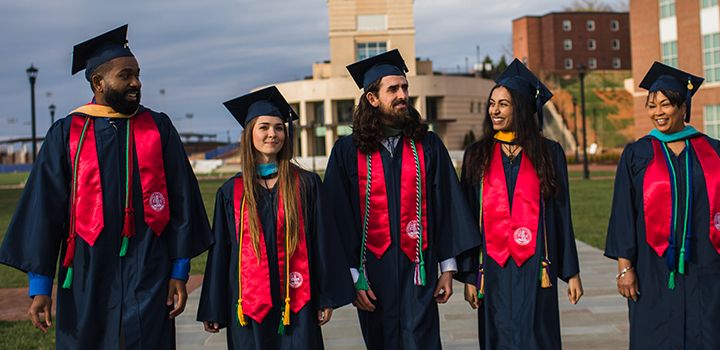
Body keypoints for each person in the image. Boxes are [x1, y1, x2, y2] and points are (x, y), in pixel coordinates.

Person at [0, 25, 213, 349]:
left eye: (138, 74)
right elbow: (44, 209)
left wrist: (179, 270)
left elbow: (183, 201)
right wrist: (40, 287)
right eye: (126, 75)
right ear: (99, 83)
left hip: (150, 269)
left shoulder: (158, 128)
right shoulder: (67, 133)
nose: (136, 83)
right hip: (87, 270)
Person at [322, 49, 481, 349]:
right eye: (393, 89)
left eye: (404, 87)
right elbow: (337, 219)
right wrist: (354, 278)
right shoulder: (347, 151)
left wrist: (447, 270)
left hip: (418, 270)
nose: (402, 95)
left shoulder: (428, 145)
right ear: (372, 98)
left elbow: (446, 207)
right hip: (372, 276)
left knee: (422, 341)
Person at [604, 62, 720, 349]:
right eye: (652, 106)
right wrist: (625, 268)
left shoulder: (714, 151)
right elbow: (624, 214)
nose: (658, 112)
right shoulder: (637, 153)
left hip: (711, 266)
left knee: (712, 335)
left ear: (683, 107)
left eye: (666, 104)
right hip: (653, 270)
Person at [196, 87, 355, 349]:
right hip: (248, 307)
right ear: (249, 135)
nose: (273, 134)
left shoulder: (307, 184)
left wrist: (325, 296)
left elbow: (323, 242)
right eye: (265, 127)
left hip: (298, 301)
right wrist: (214, 307)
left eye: (279, 127)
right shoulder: (231, 192)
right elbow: (221, 254)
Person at [458, 60, 583, 349]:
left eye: (504, 104)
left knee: (537, 335)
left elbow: (562, 214)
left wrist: (572, 272)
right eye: (492, 103)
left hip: (536, 264)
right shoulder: (478, 155)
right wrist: (468, 276)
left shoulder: (549, 153)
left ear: (523, 108)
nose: (494, 110)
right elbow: (465, 219)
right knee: (498, 336)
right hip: (491, 267)